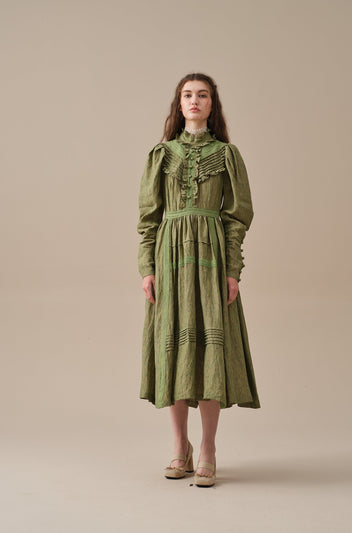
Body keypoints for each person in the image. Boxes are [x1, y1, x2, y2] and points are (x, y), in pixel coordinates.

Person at [137, 72, 260, 487]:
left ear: (212, 104)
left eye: (202, 95)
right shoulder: (161, 154)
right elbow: (148, 218)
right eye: (187, 94)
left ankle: (207, 447)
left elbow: (237, 217)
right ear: (179, 103)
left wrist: (232, 269)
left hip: (210, 259)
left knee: (209, 349)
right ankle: (179, 446)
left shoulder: (226, 154)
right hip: (169, 260)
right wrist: (147, 267)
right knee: (173, 348)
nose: (194, 100)